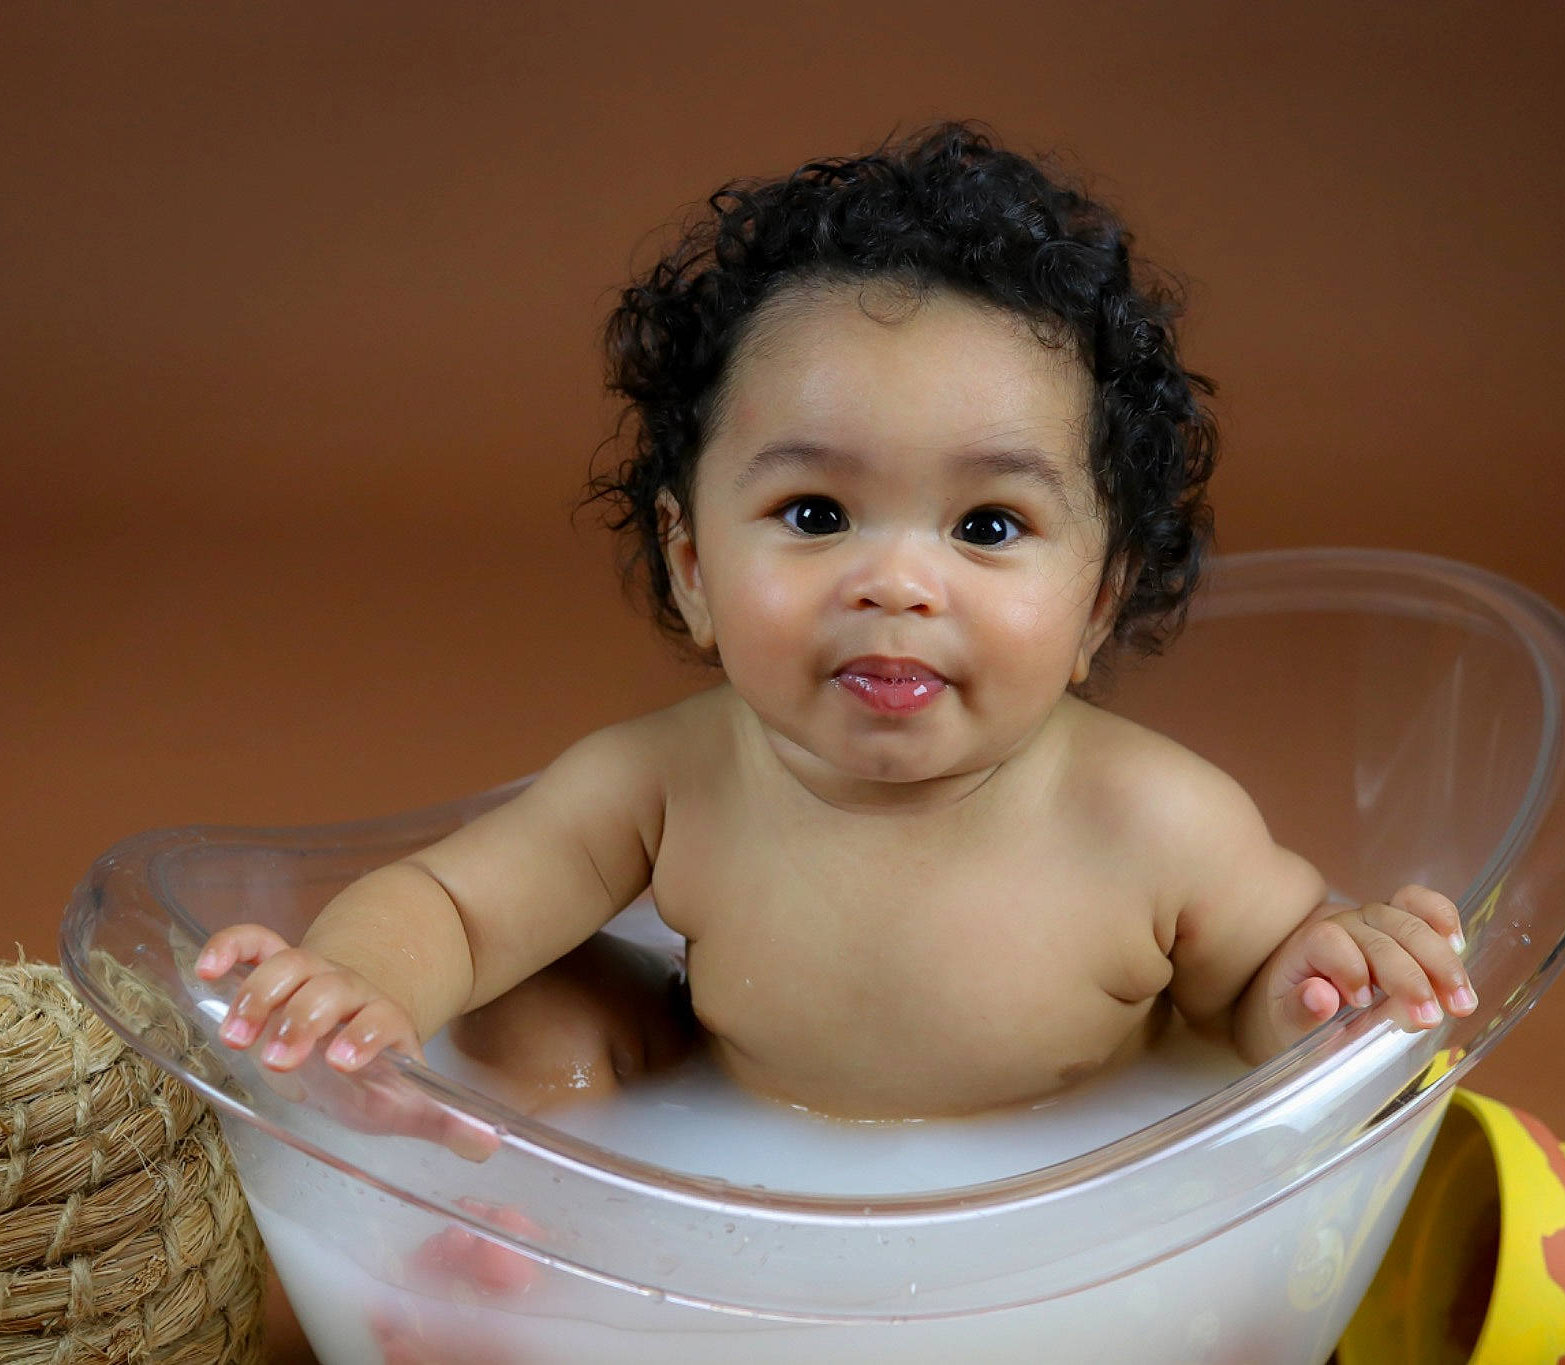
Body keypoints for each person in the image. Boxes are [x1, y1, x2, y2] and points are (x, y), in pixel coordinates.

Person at [196, 122, 1476, 1121]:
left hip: (1065, 1189)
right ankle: (506, 1227)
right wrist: (362, 982)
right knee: (520, 1012)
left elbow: (1258, 989)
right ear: (691, 565)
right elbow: (454, 907)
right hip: (724, 1137)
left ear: (1096, 603)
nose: (895, 585)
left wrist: (1332, 983)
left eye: (985, 527)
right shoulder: (665, 783)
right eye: (815, 515)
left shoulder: (1150, 820)